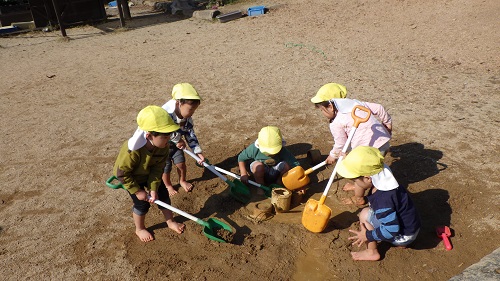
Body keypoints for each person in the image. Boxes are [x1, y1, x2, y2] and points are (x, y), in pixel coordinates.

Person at [310, 83, 393, 206]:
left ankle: (359, 197)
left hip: (366, 150)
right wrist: (387, 123)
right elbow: (379, 108)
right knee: (372, 169)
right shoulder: (356, 104)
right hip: (383, 142)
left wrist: (333, 155)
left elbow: (341, 143)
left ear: (330, 106)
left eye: (322, 110)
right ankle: (360, 184)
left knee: (359, 172)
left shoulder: (336, 122)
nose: (322, 113)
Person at [113, 105, 186, 242]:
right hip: (132, 178)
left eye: (169, 135)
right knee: (142, 204)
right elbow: (122, 174)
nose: (168, 139)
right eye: (165, 137)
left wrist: (153, 188)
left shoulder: (163, 147)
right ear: (149, 136)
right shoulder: (131, 151)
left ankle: (170, 221)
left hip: (149, 173)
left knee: (163, 194)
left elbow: (157, 169)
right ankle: (139, 229)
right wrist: (137, 191)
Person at [336, 146, 420, 261]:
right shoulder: (382, 172)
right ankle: (402, 242)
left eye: (355, 181)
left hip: (402, 235)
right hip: (411, 228)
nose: (355, 184)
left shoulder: (382, 201)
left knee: (364, 215)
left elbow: (391, 229)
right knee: (372, 213)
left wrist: (367, 235)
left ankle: (372, 252)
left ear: (367, 179)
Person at [161, 83, 205, 196]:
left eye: (194, 110)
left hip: (177, 148)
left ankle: (182, 180)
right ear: (179, 103)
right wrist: (177, 140)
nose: (191, 113)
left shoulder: (187, 119)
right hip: (162, 149)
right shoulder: (166, 115)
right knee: (165, 169)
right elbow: (163, 131)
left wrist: (197, 152)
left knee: (181, 164)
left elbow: (190, 134)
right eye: (190, 109)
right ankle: (168, 185)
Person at [238, 126, 300, 194]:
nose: (270, 154)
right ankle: (260, 186)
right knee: (258, 166)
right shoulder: (254, 149)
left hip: (275, 171)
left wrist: (299, 183)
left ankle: (279, 183)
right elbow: (241, 158)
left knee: (286, 166)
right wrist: (243, 173)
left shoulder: (282, 150)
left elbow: (295, 165)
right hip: (259, 172)